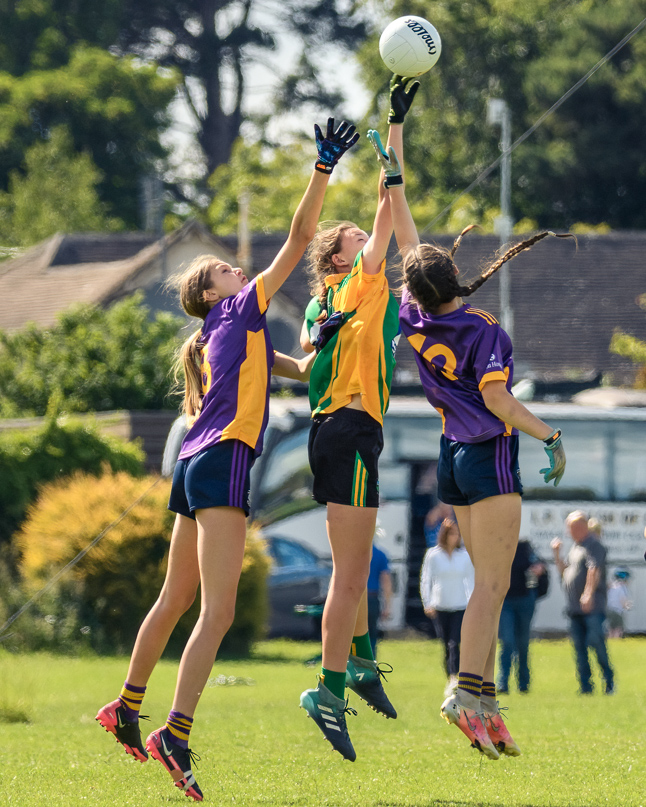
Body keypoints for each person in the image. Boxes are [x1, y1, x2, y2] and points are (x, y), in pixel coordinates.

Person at [95, 117, 359, 802]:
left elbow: (298, 370)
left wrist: (326, 337)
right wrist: (321, 168)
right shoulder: (241, 307)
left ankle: (126, 706)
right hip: (222, 464)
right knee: (216, 611)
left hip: (192, 464)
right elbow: (302, 239)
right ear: (215, 293)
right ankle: (174, 732)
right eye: (224, 270)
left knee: (175, 598)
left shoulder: (224, 328)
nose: (237, 269)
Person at [368, 110, 570, 760]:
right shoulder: (484, 328)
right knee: (492, 581)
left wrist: (394, 131)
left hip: (452, 455)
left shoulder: (414, 314)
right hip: (486, 453)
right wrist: (549, 433)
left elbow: (398, 212)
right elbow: (497, 398)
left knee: (494, 581)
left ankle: (483, 697)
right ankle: (466, 690)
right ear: (454, 275)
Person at [298, 78, 421, 763]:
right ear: (342, 257)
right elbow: (388, 206)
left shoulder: (329, 302)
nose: (363, 236)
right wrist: (395, 130)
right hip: (348, 430)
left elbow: (316, 343)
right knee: (351, 577)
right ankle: (327, 685)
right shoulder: (361, 281)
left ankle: (365, 662)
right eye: (351, 237)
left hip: (340, 432)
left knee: (357, 565)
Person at [551, 510, 614, 695]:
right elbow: (565, 573)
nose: (569, 531)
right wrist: (556, 555)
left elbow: (593, 569)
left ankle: (609, 680)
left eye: (572, 527)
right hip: (574, 608)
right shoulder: (575, 547)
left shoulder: (594, 545)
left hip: (592, 607)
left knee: (595, 641)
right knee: (579, 648)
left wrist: (588, 594)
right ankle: (586, 687)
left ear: (582, 526)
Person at [419, 518, 474, 697]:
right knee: (445, 643)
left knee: (454, 642)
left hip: (460, 604)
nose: (455, 538)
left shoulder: (464, 555)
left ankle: (455, 677)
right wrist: (427, 602)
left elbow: (470, 581)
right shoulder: (433, 555)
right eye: (452, 534)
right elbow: (426, 579)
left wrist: (472, 603)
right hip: (441, 604)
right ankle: (450, 676)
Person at [496, 539, 546, 694]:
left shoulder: (526, 547)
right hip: (505, 601)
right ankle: (502, 683)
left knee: (523, 643)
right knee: (507, 642)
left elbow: (540, 566)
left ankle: (523, 684)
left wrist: (540, 569)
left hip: (525, 599)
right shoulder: (499, 545)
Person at [367, 536, 394, 658]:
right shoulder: (380, 554)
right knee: (372, 634)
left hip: (355, 599)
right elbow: (386, 582)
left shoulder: (353, 554)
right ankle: (370, 665)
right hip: (372, 598)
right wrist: (387, 606)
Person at [606, 567, 631, 638]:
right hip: (617, 611)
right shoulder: (622, 587)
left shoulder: (611, 586)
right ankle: (617, 641)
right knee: (618, 629)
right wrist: (627, 606)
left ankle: (611, 643)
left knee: (610, 629)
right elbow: (623, 600)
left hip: (609, 609)